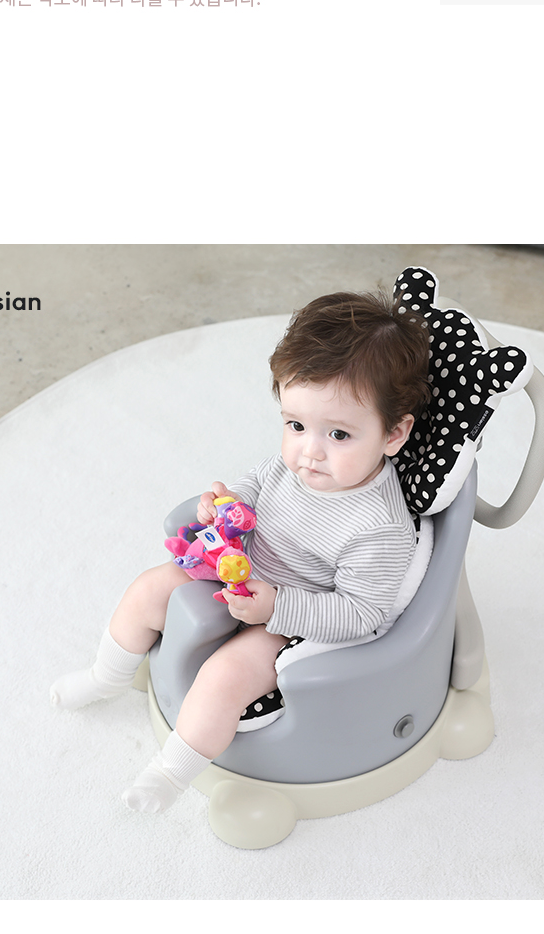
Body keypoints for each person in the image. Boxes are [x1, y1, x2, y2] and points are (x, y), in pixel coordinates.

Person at [51, 290, 430, 814]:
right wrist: (228, 503)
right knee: (148, 589)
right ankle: (106, 675)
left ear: (394, 433)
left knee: (224, 677)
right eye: (295, 425)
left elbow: (362, 614)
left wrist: (277, 606)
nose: (310, 451)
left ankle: (170, 772)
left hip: (293, 617)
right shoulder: (298, 464)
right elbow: (260, 481)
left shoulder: (378, 527)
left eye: (339, 434)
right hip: (239, 565)